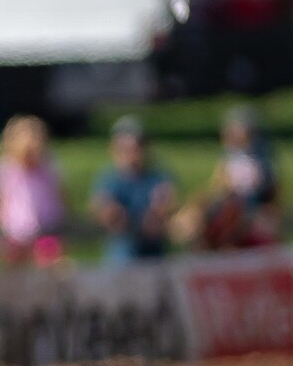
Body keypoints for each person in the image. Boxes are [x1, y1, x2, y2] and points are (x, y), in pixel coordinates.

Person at [184, 105, 283, 251]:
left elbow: (270, 194)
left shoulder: (260, 161)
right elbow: (217, 186)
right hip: (227, 209)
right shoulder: (227, 158)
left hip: (248, 211)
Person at [89, 116, 178, 265]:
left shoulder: (158, 177)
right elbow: (100, 208)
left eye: (136, 147)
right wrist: (111, 213)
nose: (132, 153)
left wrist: (160, 212)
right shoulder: (108, 179)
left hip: (155, 256)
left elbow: (167, 206)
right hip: (121, 258)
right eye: (124, 148)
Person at [0, 115, 66, 266]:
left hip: (46, 228)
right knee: (16, 272)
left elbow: (59, 196)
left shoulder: (48, 169)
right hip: (14, 232)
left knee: (50, 267)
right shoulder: (6, 169)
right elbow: (1, 199)